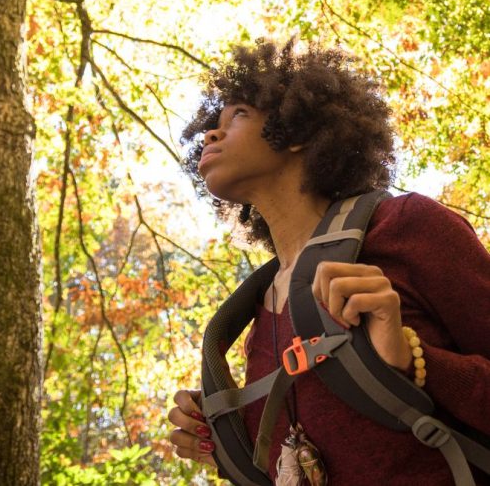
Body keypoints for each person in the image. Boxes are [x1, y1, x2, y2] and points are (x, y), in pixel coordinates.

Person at [167, 39, 490, 485]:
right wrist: (225, 444)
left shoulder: (406, 226)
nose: (211, 134)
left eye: (238, 115)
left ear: (296, 132)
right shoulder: (257, 319)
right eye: (213, 125)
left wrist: (416, 360)